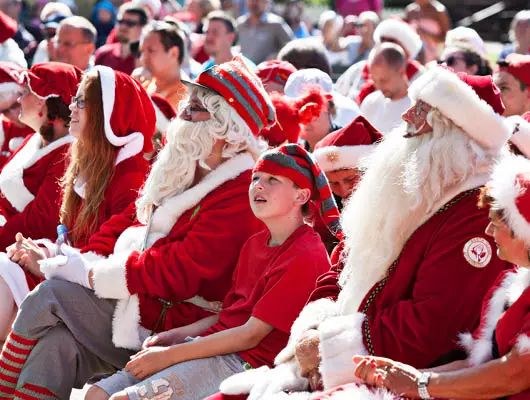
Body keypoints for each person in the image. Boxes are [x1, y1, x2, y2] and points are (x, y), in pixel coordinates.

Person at [215, 67, 511, 399]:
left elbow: (434, 325)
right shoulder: (409, 186)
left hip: (403, 377)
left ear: (455, 129)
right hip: (337, 359)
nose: (406, 115)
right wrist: (312, 326)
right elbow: (342, 265)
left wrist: (330, 348)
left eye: (423, 109)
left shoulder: (474, 209)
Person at [0, 58, 272, 399]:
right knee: (55, 347)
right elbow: (126, 233)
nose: (183, 117)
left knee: (49, 296)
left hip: (178, 327)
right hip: (137, 308)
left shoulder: (239, 189)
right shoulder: (185, 168)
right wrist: (68, 258)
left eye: (196, 110)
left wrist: (87, 272)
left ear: (227, 128)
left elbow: (180, 270)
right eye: (187, 106)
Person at [86, 143, 337, 400]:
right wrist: (179, 335)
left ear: (301, 196)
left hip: (245, 364)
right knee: (96, 394)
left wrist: (168, 356)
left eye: (273, 180)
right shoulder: (254, 243)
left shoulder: (306, 253)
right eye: (256, 178)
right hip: (211, 346)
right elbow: (229, 315)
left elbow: (251, 335)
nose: (258, 186)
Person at [353, 153, 530, 400]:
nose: (488, 231)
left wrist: (420, 384)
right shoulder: (510, 283)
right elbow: (479, 364)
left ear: (523, 232)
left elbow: (515, 373)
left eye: (496, 224)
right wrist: (402, 376)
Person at [0, 65, 155, 347]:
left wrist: (45, 261)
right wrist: (42, 250)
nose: (71, 106)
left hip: (100, 300)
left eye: (81, 101)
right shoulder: (90, 164)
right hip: (67, 277)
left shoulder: (132, 176)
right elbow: (67, 237)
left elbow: (101, 256)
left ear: (107, 113)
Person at [335, 18, 422, 104]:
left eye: (392, 42)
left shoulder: (419, 75)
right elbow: (338, 95)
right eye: (382, 40)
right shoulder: (359, 69)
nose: (385, 44)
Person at [360, 43, 412, 134]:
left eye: (383, 80)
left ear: (401, 71)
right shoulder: (370, 102)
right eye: (374, 80)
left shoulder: (418, 107)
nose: (378, 86)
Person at [138, 20, 188, 109]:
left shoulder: (188, 100)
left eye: (151, 50)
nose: (143, 58)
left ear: (173, 53)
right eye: (142, 51)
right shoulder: (143, 84)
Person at [95, 4, 148, 75]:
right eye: (120, 21)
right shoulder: (103, 53)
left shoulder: (148, 59)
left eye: (130, 23)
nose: (123, 26)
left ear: (143, 27)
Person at [236, 0, 294, 64]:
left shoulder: (276, 24)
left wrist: (275, 56)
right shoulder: (240, 23)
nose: (254, 3)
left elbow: (291, 46)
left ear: (266, 2)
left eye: (257, 0)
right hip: (245, 70)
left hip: (268, 72)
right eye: (251, 0)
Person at [0, 62, 32, 167]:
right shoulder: (3, 128)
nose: (13, 115)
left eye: (15, 105)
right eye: (5, 111)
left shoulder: (44, 126)